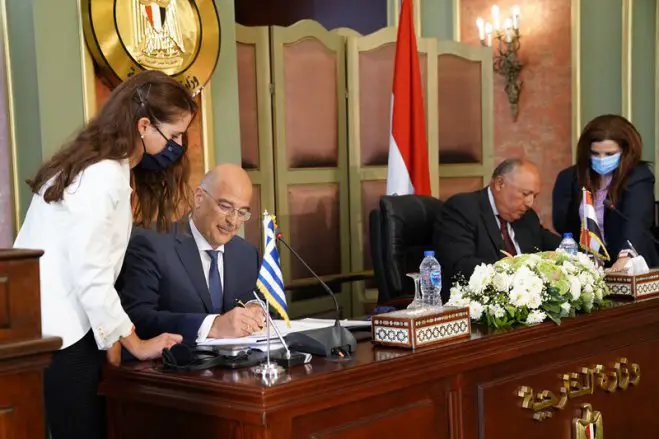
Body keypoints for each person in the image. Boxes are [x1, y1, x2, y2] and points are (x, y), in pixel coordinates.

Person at [13, 70, 195, 439]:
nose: (177, 145)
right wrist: (134, 343)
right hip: (63, 336)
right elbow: (91, 274)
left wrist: (113, 339)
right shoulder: (102, 176)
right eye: (173, 135)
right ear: (144, 125)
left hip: (46, 329)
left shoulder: (94, 165)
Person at [117, 163, 265, 345]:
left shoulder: (247, 254)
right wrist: (212, 326)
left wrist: (256, 310)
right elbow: (137, 317)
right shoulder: (152, 244)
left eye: (242, 212)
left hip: (240, 368)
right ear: (199, 198)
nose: (233, 221)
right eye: (226, 207)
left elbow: (266, 304)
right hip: (176, 367)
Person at [435, 158, 562, 301]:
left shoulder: (528, 217)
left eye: (534, 196)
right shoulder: (463, 209)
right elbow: (461, 265)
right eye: (525, 194)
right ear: (500, 184)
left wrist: (586, 254)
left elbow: (554, 244)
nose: (529, 203)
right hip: (478, 303)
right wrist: (515, 274)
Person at [552, 114, 659, 271]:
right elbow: (562, 224)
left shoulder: (638, 176)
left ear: (625, 151)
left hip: (629, 264)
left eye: (609, 154)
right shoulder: (569, 178)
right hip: (586, 267)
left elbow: (637, 221)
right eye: (595, 153)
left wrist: (626, 256)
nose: (601, 159)